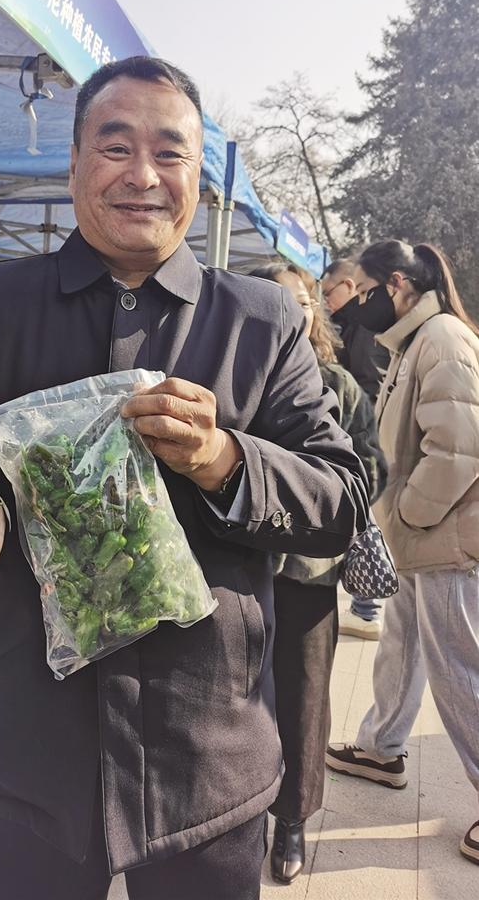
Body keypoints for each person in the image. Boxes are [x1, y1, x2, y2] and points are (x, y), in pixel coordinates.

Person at [0, 57, 369, 900]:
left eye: (169, 152)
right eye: (115, 148)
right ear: (75, 162)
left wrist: (223, 459)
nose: (142, 175)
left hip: (206, 752)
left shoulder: (259, 321)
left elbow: (338, 501)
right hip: (24, 739)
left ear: (199, 178)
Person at [325, 239, 479, 866]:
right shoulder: (416, 340)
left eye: (362, 291)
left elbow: (460, 449)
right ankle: (381, 747)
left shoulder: (441, 339)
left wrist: (409, 513)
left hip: (446, 534)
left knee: (459, 669)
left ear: (395, 284)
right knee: (403, 643)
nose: (355, 305)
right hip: (423, 533)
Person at [250, 262, 386, 883]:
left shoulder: (339, 385)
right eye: (277, 300)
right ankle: (233, 810)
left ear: (315, 312)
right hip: (234, 569)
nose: (292, 312)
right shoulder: (229, 376)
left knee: (303, 698)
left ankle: (293, 818)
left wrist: (309, 488)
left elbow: (369, 469)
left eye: (302, 301)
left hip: (308, 570)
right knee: (231, 695)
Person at [322, 256, 392, 639]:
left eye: (327, 292)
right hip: (359, 435)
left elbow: (367, 384)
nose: (325, 301)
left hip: (361, 436)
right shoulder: (353, 323)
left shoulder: (363, 327)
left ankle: (367, 607)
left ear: (348, 286)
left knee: (364, 517)